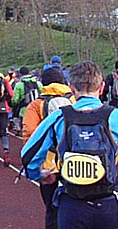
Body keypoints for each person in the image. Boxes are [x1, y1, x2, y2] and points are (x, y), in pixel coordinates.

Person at [21, 61, 118, 229]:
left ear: (71, 88)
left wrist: (38, 174)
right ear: (102, 87)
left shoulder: (59, 117)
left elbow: (28, 155)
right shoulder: (115, 116)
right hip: (108, 202)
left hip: (72, 203)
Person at [22, 67, 73, 229]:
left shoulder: (36, 105)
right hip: (72, 162)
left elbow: (30, 134)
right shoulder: (75, 101)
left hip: (48, 166)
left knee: (51, 210)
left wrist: (34, 166)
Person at [12, 66, 43, 131]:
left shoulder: (19, 85)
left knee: (26, 130)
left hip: (24, 110)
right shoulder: (38, 83)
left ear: (20, 74)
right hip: (38, 109)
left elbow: (15, 100)